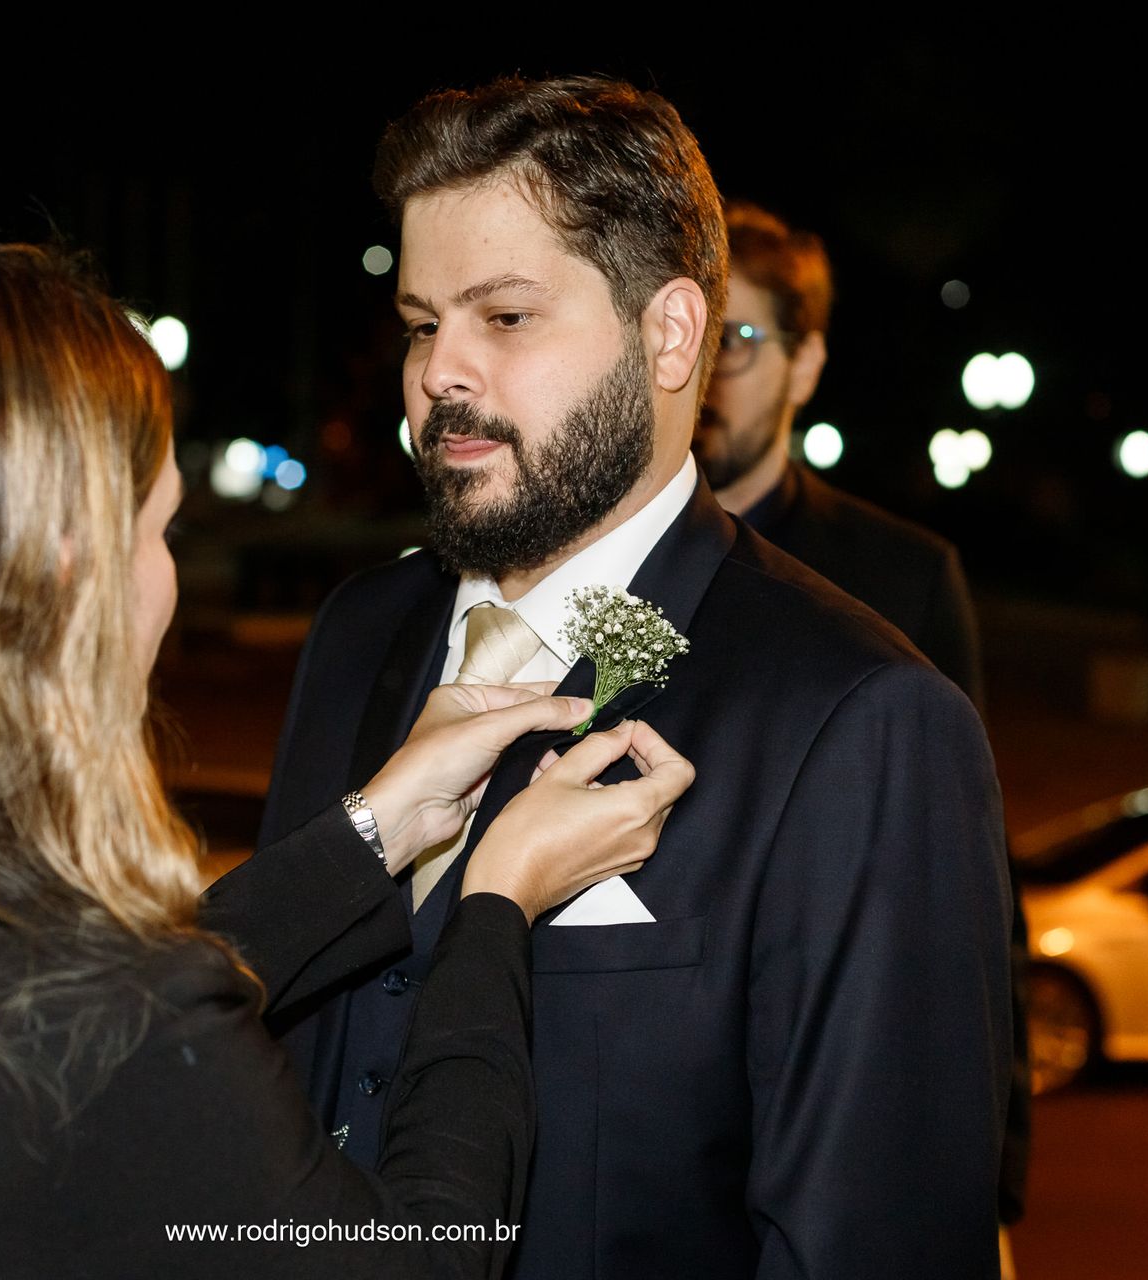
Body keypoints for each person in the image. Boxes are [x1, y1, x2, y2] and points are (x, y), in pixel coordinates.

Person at [0, 237, 694, 1280]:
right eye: (160, 529)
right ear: (70, 565)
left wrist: (373, 833)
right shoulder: (116, 1018)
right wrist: (496, 897)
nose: (164, 573)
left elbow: (25, 1038)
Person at [250, 75, 1014, 1278]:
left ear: (669, 334)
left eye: (503, 318)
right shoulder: (356, 634)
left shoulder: (860, 719)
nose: (439, 370)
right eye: (417, 321)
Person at [696, 202, 1033, 1265]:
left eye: (739, 341)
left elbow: (969, 871)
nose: (708, 372)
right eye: (692, 337)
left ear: (806, 365)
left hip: (836, 1055)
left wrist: (996, 1156)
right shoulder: (611, 566)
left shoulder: (902, 573)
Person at [696, 201, 984, 703]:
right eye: (681, 335)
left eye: (731, 338)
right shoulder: (587, 544)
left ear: (803, 366)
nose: (698, 370)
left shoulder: (906, 583)